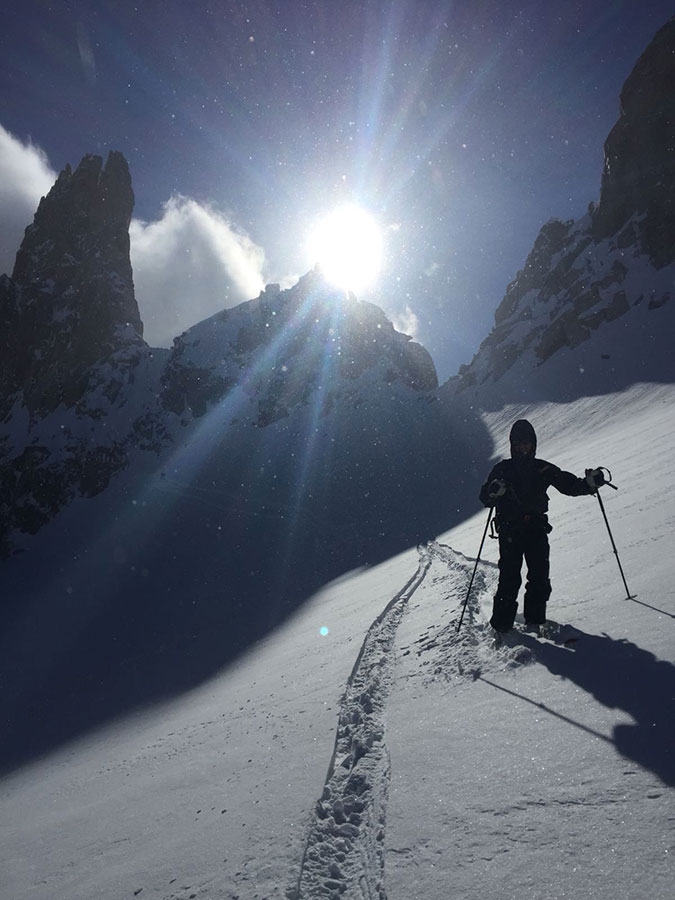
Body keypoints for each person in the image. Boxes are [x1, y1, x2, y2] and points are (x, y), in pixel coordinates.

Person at [479, 419, 605, 634]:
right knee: (509, 579)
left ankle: (534, 622)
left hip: (536, 530)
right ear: (512, 444)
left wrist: (589, 484)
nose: (522, 447)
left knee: (539, 576)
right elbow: (484, 497)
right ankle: (501, 627)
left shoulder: (543, 468)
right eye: (518, 443)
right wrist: (492, 491)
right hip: (510, 531)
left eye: (526, 443)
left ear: (533, 444)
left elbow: (569, 485)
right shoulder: (502, 469)